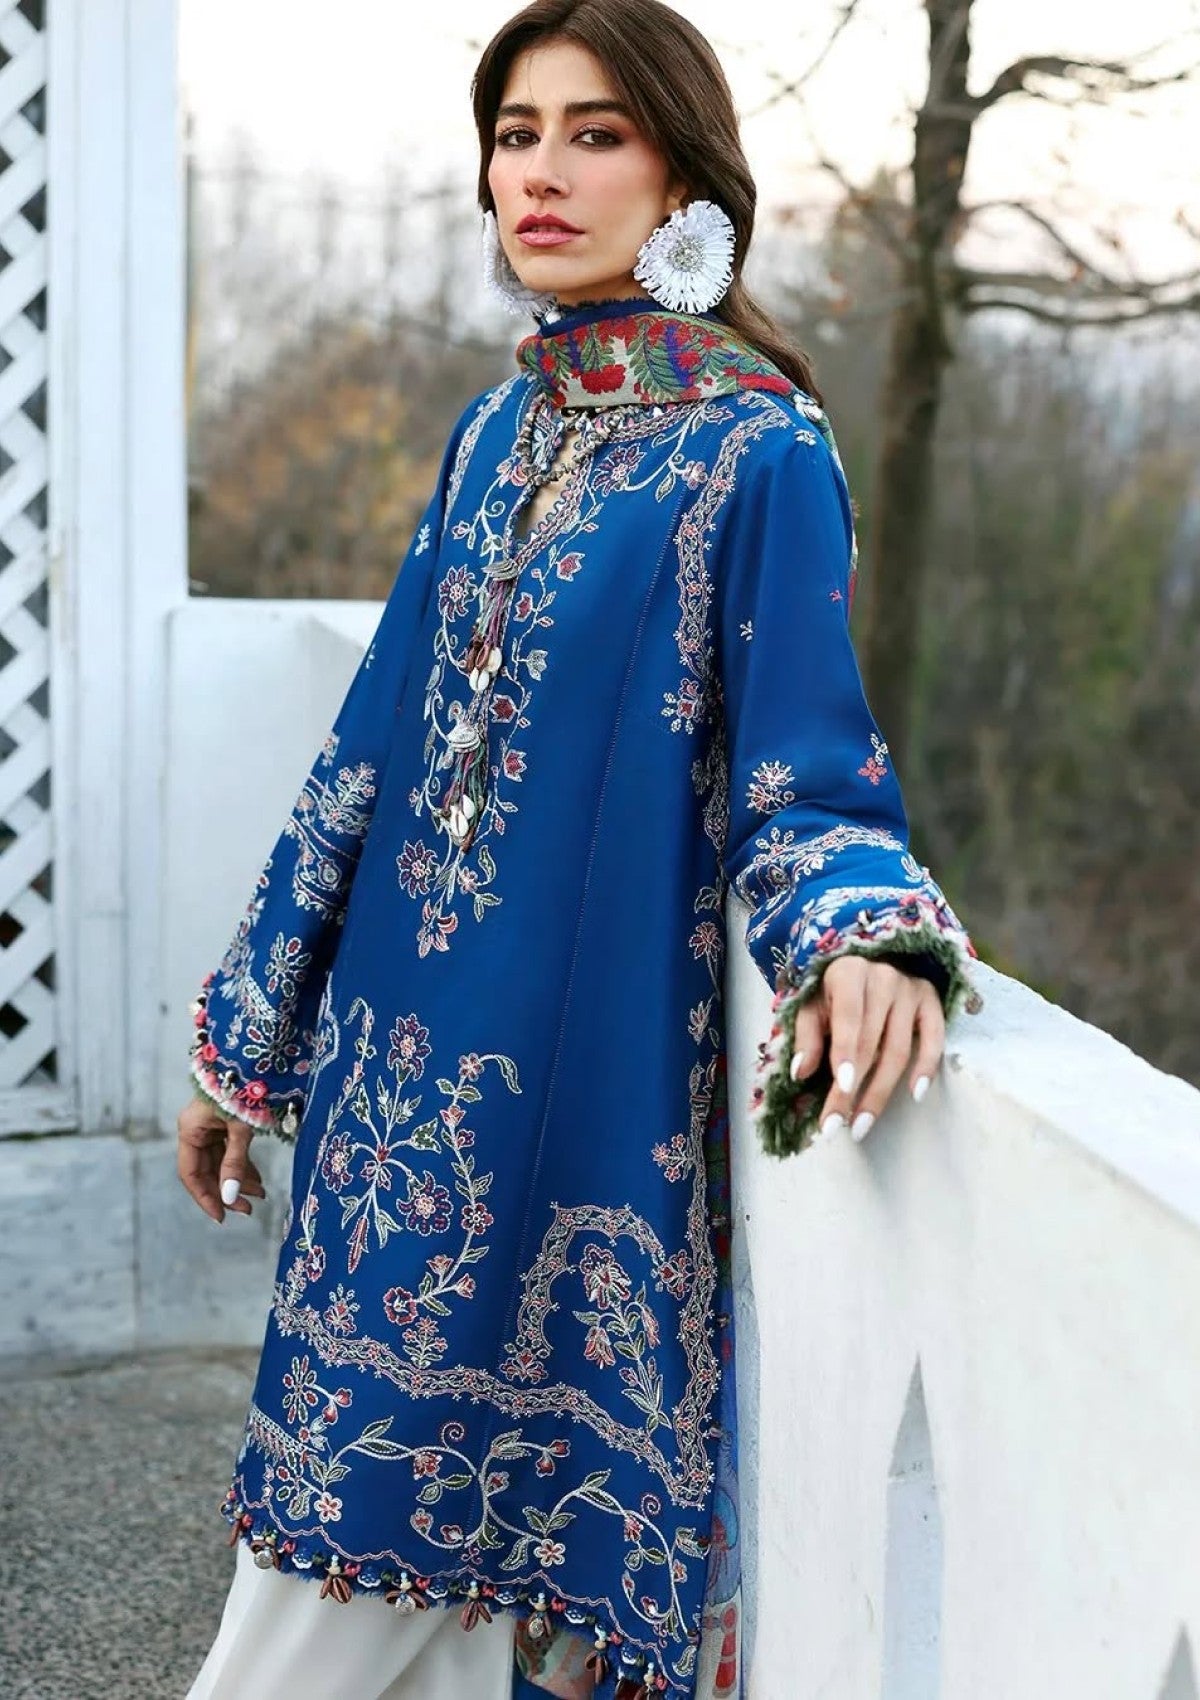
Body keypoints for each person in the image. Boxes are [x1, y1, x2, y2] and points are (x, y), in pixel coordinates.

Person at [179, 2, 981, 1696]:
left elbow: (807, 767)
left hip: (565, 1133)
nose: (540, 172)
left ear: (684, 178)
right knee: (388, 1608)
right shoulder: (497, 431)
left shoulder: (759, 449)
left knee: (324, 1611)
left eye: (595, 133)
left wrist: (862, 931)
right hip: (384, 1112)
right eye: (516, 133)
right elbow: (372, 745)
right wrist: (249, 1038)